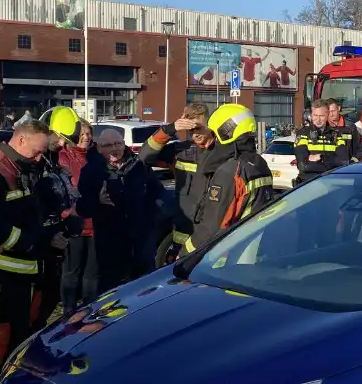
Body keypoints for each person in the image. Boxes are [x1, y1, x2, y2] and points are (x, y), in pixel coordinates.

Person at [0, 119, 61, 384]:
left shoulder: (26, 166)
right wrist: (28, 244)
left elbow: (31, 212)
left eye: (43, 153)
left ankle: (15, 377)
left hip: (26, 265)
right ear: (21, 140)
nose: (40, 158)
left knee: (23, 326)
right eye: (36, 151)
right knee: (1, 330)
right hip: (2, 267)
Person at [180, 103, 275, 256]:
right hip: (255, 249)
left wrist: (184, 255)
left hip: (228, 256)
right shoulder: (259, 163)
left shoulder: (230, 170)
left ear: (227, 132)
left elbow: (212, 227)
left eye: (216, 135)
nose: (215, 140)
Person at [78, 129, 161, 289]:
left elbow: (157, 193)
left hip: (140, 242)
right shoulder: (91, 171)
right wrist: (97, 201)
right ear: (99, 148)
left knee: (143, 288)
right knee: (111, 291)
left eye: (118, 143)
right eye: (108, 145)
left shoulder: (139, 166)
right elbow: (82, 208)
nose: (114, 148)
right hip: (110, 243)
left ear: (124, 145)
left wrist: (153, 218)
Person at [29, 106, 87, 332]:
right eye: (59, 139)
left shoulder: (51, 163)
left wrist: (66, 226)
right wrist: (50, 235)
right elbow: (30, 213)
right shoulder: (30, 167)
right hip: (32, 255)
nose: (63, 145)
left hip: (53, 254)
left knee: (44, 309)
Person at [139, 103, 214, 263]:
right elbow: (144, 157)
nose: (195, 134)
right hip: (183, 233)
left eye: (199, 128)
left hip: (211, 231)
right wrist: (169, 130)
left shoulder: (221, 152)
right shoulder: (180, 151)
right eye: (191, 130)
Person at [57, 119, 98, 313]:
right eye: (81, 133)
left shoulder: (96, 156)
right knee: (71, 271)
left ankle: (89, 309)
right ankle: (68, 310)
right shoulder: (63, 157)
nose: (86, 137)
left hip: (95, 222)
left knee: (92, 272)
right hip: (74, 222)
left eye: (89, 133)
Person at [294, 99, 350, 186]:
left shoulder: (336, 134)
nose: (318, 119)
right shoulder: (303, 133)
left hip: (331, 183)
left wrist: (321, 157)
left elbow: (343, 162)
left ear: (327, 114)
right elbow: (303, 166)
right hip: (308, 184)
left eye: (322, 116)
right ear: (311, 115)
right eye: (315, 115)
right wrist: (331, 159)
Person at [326, 98, 362, 162]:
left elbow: (358, 147)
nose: (331, 114)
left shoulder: (350, 127)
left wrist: (353, 161)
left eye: (333, 111)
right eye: (328, 112)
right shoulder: (323, 127)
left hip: (344, 166)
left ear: (339, 108)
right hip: (327, 166)